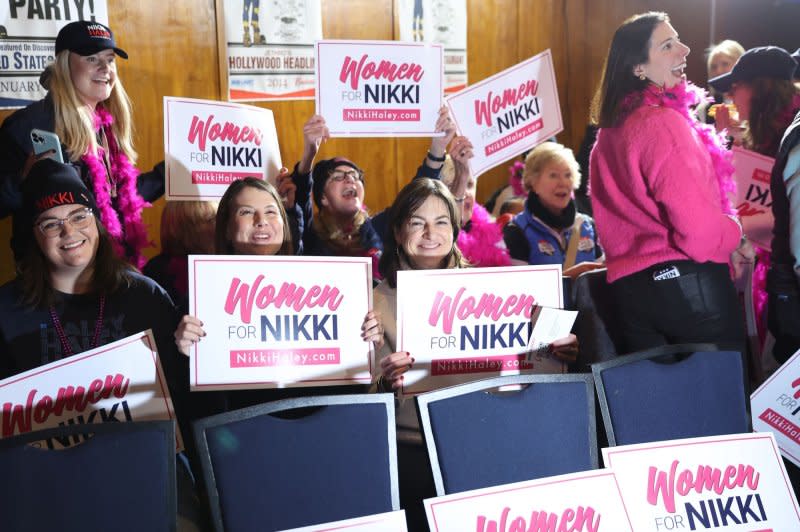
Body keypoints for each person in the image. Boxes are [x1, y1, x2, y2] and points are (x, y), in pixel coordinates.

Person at [363, 178, 577, 531]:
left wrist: (561, 351)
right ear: (399, 232)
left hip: (488, 440)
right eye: (417, 222)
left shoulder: (494, 290)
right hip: (413, 452)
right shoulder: (372, 302)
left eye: (441, 221)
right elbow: (358, 398)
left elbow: (534, 368)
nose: (431, 232)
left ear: (455, 228)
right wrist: (385, 381)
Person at [0, 159, 203, 528]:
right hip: (49, 486)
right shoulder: (6, 312)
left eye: (79, 215)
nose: (69, 231)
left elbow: (183, 400)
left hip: (142, 472)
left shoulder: (145, 295)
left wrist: (188, 350)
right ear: (34, 234)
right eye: (51, 223)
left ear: (96, 220)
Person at [589, 11, 745, 353]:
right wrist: (735, 231)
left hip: (631, 298)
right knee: (716, 405)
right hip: (690, 290)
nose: (685, 49)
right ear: (638, 68)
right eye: (668, 45)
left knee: (659, 406)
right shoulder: (662, 125)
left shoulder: (607, 136)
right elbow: (700, 236)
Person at [0, 21, 160, 268]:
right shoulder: (28, 126)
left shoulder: (107, 125)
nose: (105, 67)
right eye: (92, 59)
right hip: (55, 279)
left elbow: (117, 200)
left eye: (110, 59)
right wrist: (24, 179)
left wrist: (168, 175)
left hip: (108, 268)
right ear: (65, 65)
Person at [290, 107, 456, 272]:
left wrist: (438, 147)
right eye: (338, 176)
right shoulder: (310, 234)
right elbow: (301, 196)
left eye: (355, 176)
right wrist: (309, 153)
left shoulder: (378, 227)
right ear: (323, 197)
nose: (350, 179)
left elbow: (416, 196)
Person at [503, 142, 604, 278]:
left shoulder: (588, 226)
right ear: (533, 182)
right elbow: (521, 293)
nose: (563, 182)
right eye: (553, 175)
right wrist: (566, 279)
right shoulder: (516, 231)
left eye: (568, 175)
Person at [711, 46, 800, 156]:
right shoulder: (767, 130)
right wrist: (732, 140)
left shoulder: (795, 135)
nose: (729, 95)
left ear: (760, 88)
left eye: (734, 87)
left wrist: (729, 140)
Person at [439, 136, 510, 267]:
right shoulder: (433, 236)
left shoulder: (491, 230)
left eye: (470, 185)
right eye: (453, 185)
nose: (465, 192)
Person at [142, 200, 218, 314]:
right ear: (187, 229)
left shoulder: (226, 265)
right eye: (210, 220)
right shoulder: (157, 271)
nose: (219, 225)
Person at [696, 39, 745, 124]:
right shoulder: (704, 110)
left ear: (741, 65)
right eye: (714, 67)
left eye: (725, 64)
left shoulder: (756, 103)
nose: (718, 71)